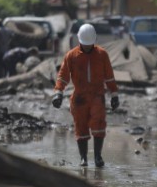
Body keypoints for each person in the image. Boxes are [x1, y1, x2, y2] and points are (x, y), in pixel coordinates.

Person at [51, 23, 119, 167]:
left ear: (94, 40)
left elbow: (109, 77)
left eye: (89, 44)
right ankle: (83, 158)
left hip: (97, 96)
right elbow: (63, 76)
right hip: (79, 98)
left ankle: (98, 157)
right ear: (79, 40)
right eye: (85, 44)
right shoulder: (71, 56)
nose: (87, 47)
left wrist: (114, 95)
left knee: (99, 125)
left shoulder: (102, 54)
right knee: (80, 126)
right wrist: (58, 93)